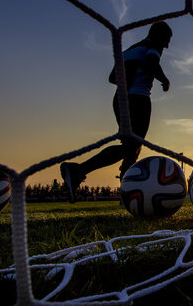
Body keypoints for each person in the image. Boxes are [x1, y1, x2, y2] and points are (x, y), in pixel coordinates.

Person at [60, 21, 172, 203]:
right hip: (138, 100)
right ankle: (78, 171)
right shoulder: (153, 46)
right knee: (131, 147)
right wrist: (164, 79)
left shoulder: (129, 51)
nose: (166, 46)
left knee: (130, 147)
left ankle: (125, 193)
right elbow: (152, 62)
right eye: (166, 40)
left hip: (119, 99)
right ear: (159, 36)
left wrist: (130, 76)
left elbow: (112, 77)